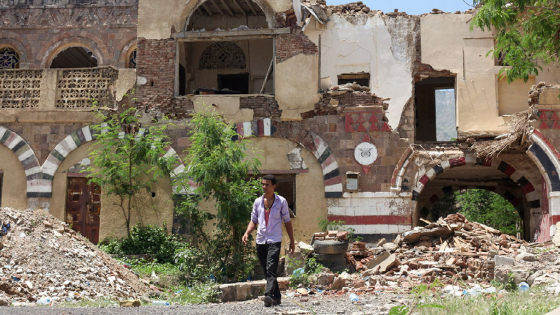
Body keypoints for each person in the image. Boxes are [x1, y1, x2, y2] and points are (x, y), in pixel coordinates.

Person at [242, 174, 295, 307]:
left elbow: (287, 222)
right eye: (263, 184)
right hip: (261, 240)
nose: (264, 187)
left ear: (273, 186)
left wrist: (292, 240)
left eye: (267, 185)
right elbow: (254, 221)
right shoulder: (257, 202)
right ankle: (277, 297)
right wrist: (247, 232)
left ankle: (268, 295)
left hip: (274, 239)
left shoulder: (281, 202)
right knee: (267, 270)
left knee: (271, 268)